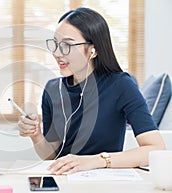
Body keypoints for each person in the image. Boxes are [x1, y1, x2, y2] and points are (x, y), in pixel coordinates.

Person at [17, 7, 165, 175]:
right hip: (63, 181)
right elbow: (51, 156)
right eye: (55, 44)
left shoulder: (121, 85)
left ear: (93, 50)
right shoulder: (52, 89)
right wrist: (35, 135)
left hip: (102, 181)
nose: (57, 53)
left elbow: (155, 148)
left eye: (67, 45)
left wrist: (94, 161)